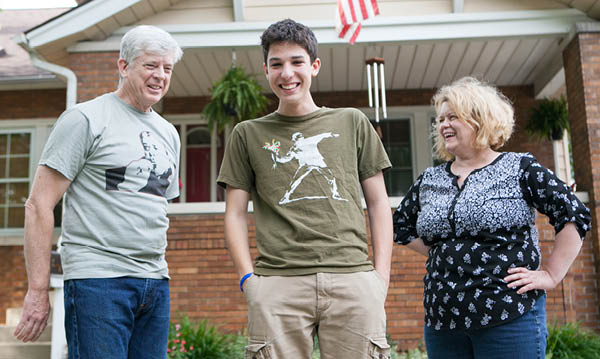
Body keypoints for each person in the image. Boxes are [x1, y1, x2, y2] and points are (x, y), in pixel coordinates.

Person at [217, 19, 393, 358]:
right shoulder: (247, 134)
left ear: (314, 66)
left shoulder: (351, 121)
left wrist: (379, 277)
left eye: (296, 62)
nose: (287, 73)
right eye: (276, 64)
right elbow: (235, 214)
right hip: (277, 284)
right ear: (266, 70)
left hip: (352, 278)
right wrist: (248, 282)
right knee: (298, 180)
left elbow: (378, 202)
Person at [13, 25, 183, 359]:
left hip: (154, 281)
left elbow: (156, 208)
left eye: (167, 68)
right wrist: (37, 290)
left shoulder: (168, 134)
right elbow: (38, 205)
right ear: (124, 66)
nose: (160, 76)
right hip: (98, 280)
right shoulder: (86, 119)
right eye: (150, 65)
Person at [393, 77, 591, 359]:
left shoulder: (519, 168)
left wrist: (551, 274)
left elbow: (573, 213)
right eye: (440, 119)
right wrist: (442, 253)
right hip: (443, 323)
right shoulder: (430, 179)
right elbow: (400, 226)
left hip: (508, 314)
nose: (443, 125)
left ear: (479, 119)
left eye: (453, 117)